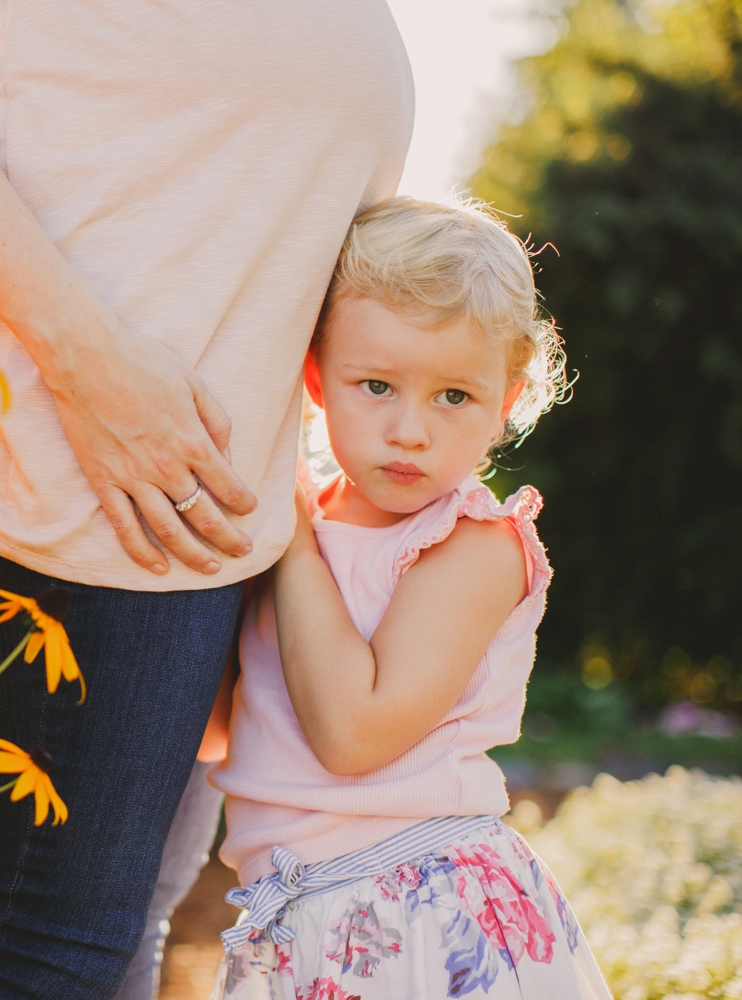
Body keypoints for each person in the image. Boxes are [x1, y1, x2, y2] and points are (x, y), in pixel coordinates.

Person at [0, 3, 413, 998]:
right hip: (106, 446)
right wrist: (81, 356)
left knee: (120, 934)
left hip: (203, 472)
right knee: (45, 949)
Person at [207, 197, 611, 999]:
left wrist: (292, 545)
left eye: (454, 396)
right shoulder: (298, 522)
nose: (410, 431)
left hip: (420, 913)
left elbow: (353, 735)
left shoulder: (472, 544)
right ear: (316, 378)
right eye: (377, 385)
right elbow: (220, 732)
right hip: (295, 915)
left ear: (505, 401)